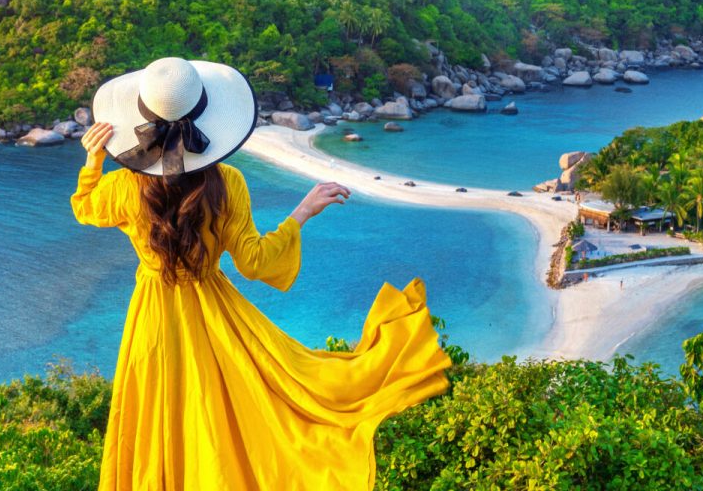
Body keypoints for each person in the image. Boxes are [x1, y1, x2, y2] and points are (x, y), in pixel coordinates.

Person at [72, 56, 452, 490]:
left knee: (161, 418)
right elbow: (254, 262)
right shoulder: (226, 182)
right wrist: (300, 214)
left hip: (152, 322)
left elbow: (85, 208)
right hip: (215, 316)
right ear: (202, 117)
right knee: (227, 420)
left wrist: (93, 161)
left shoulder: (124, 189)